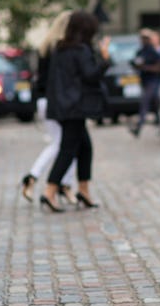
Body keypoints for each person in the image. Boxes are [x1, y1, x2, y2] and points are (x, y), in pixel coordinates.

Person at [40, 11, 111, 213]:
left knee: (84, 147)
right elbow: (91, 75)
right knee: (68, 149)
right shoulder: (80, 50)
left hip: (63, 106)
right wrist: (105, 59)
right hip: (74, 107)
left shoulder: (60, 49)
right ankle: (50, 190)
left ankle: (83, 190)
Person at [20, 11, 78, 205]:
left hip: (45, 100)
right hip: (56, 101)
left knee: (64, 144)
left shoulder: (45, 47)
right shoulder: (60, 48)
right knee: (65, 145)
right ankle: (47, 180)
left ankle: (57, 183)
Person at [129, 28, 160, 137]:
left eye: (145, 38)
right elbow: (135, 63)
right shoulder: (140, 52)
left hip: (153, 81)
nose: (143, 40)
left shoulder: (152, 52)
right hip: (144, 81)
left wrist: (145, 68)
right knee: (155, 104)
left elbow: (159, 67)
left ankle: (139, 127)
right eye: (142, 38)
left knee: (145, 103)